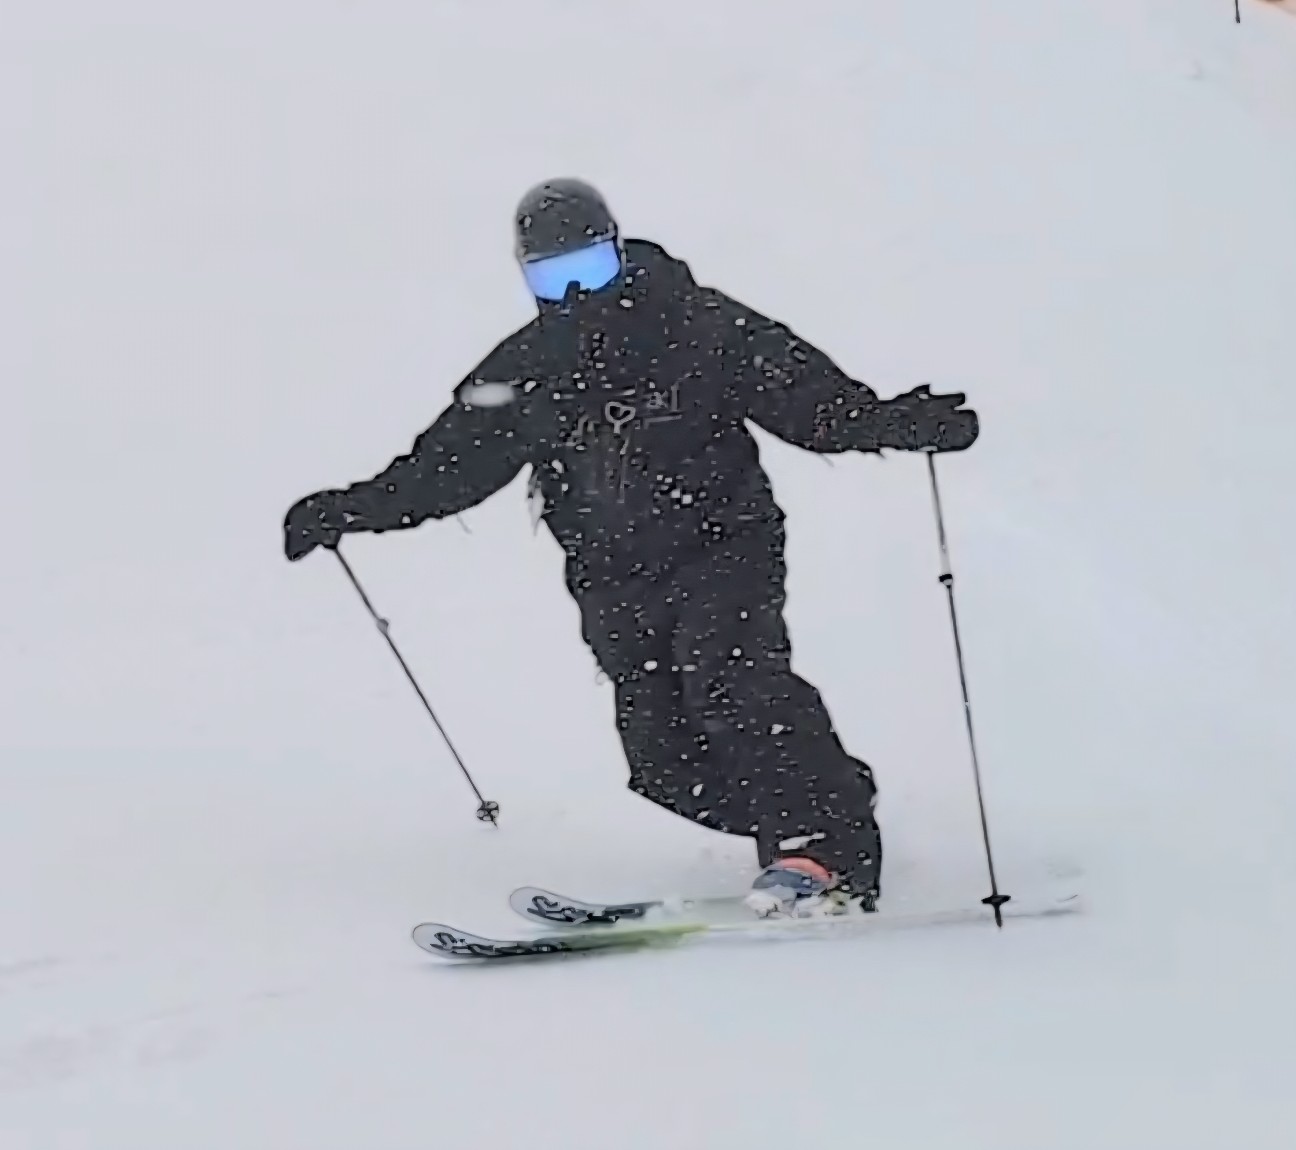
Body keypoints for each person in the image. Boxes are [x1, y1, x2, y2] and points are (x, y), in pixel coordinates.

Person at [283, 178, 979, 916]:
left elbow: (808, 402)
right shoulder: (524, 370)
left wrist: (892, 422)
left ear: (618, 250)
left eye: (591, 268)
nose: (576, 293)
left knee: (732, 682)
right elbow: (445, 471)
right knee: (663, 758)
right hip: (612, 577)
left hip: (722, 545)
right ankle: (821, 807)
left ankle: (822, 846)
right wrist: (349, 509)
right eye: (553, 277)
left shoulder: (700, 326)